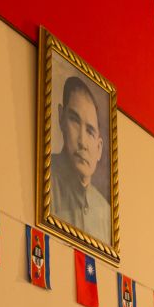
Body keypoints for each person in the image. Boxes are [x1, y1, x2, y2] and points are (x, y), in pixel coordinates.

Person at [50, 75, 110, 242]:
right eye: (74, 121)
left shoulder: (105, 212)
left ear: (99, 149)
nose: (82, 142)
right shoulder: (46, 179)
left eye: (90, 131)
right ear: (61, 117)